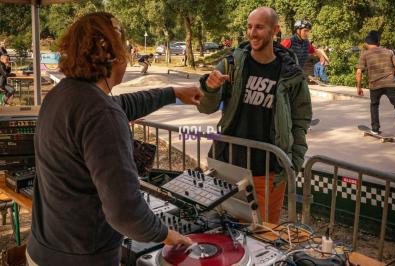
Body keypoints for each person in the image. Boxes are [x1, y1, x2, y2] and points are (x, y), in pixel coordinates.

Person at [26, 12, 201, 266]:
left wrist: (172, 92)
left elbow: (123, 104)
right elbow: (125, 212)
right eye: (125, 51)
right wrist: (168, 235)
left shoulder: (62, 95)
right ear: (114, 57)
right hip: (83, 259)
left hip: (42, 251)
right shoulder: (100, 112)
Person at [197, 7, 312, 224]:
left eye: (259, 27)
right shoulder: (231, 64)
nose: (252, 33)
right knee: (223, 231)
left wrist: (293, 160)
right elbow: (205, 107)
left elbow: (301, 119)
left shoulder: (291, 73)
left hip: (267, 171)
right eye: (249, 27)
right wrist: (210, 88)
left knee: (263, 234)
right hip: (227, 165)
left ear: (275, 30)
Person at [356, 30, 395, 134]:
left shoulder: (365, 54)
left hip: (375, 85)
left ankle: (375, 128)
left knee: (374, 105)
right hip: (390, 83)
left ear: (367, 43)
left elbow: (359, 72)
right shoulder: (388, 51)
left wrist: (359, 87)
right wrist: (393, 75)